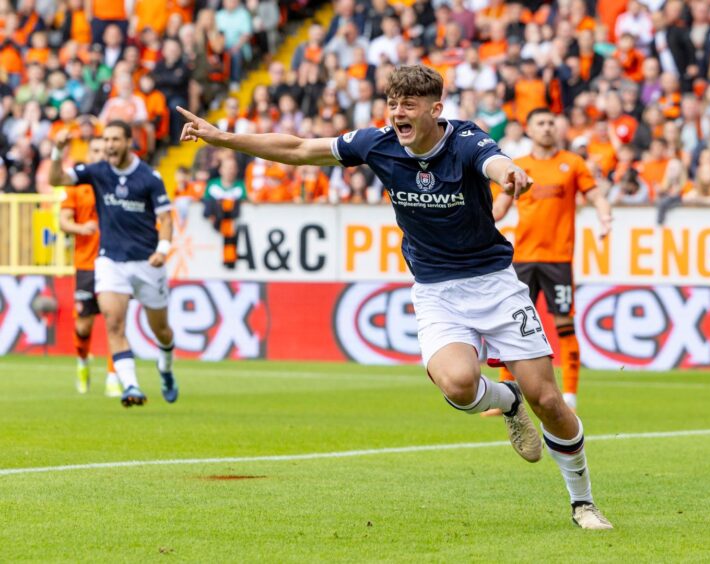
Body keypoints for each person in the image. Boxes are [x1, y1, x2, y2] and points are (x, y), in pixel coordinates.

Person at [177, 65, 612, 530]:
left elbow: (496, 163)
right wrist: (223, 138)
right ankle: (505, 399)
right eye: (392, 103)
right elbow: (300, 148)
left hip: (493, 282)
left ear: (435, 109)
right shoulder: (377, 143)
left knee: (546, 398)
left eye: (408, 105)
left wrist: (510, 176)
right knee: (459, 387)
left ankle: (582, 502)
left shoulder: (466, 141)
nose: (397, 113)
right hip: (435, 291)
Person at [49, 120, 178, 408]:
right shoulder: (97, 172)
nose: (109, 145)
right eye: (106, 139)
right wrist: (57, 152)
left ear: (129, 141)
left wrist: (163, 249)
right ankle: (130, 384)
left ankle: (166, 367)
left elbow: (167, 220)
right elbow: (56, 179)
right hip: (110, 260)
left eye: (115, 139)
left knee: (162, 331)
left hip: (147, 262)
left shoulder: (149, 177)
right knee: (113, 322)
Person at [491, 108, 612, 413]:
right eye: (540, 124)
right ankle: (507, 395)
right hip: (523, 259)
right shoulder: (520, 168)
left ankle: (569, 394)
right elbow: (499, 207)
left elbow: (595, 195)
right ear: (529, 130)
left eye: (550, 123)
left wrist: (605, 216)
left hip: (558, 258)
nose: (546, 128)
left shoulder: (572, 164)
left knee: (564, 325)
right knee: (512, 326)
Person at [58, 136, 122, 398]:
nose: (101, 153)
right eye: (95, 150)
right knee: (83, 326)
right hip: (86, 263)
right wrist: (80, 228)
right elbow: (63, 221)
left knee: (114, 320)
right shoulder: (77, 186)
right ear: (90, 153)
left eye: (104, 149)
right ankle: (83, 362)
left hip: (115, 261)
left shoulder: (120, 183)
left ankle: (113, 377)